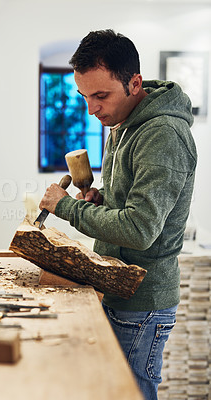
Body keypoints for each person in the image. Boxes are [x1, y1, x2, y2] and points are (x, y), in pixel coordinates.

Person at [39, 29, 197, 399]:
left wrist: (67, 207)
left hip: (142, 300)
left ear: (134, 83)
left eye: (100, 95)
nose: (91, 109)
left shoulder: (163, 135)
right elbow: (131, 198)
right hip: (118, 285)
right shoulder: (121, 123)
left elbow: (140, 228)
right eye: (84, 97)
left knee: (131, 393)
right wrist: (101, 198)